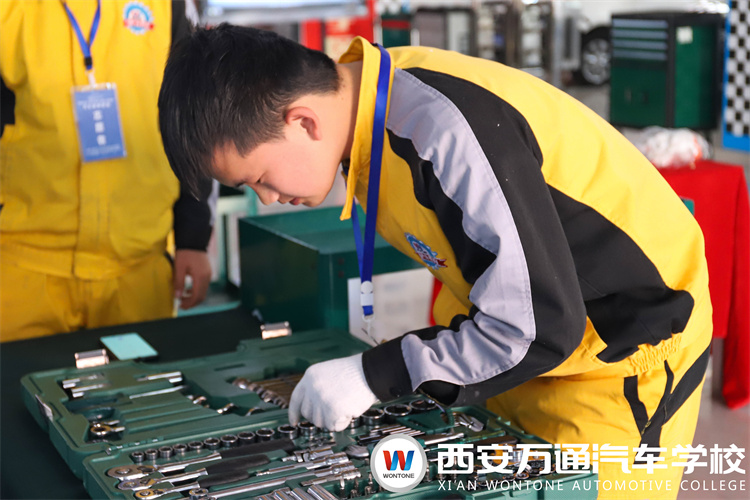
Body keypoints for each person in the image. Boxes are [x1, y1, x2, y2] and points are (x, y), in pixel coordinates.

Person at [158, 24, 712, 499]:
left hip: (620, 355)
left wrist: (376, 374)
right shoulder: (368, 109)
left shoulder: (441, 132)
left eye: (259, 178)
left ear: (303, 121)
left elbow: (540, 328)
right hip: (521, 345)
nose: (267, 198)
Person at [0, 0, 213, 342]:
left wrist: (193, 238)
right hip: (21, 266)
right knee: (19, 377)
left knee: (138, 376)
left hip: (138, 265)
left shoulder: (166, 5)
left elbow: (193, 114)